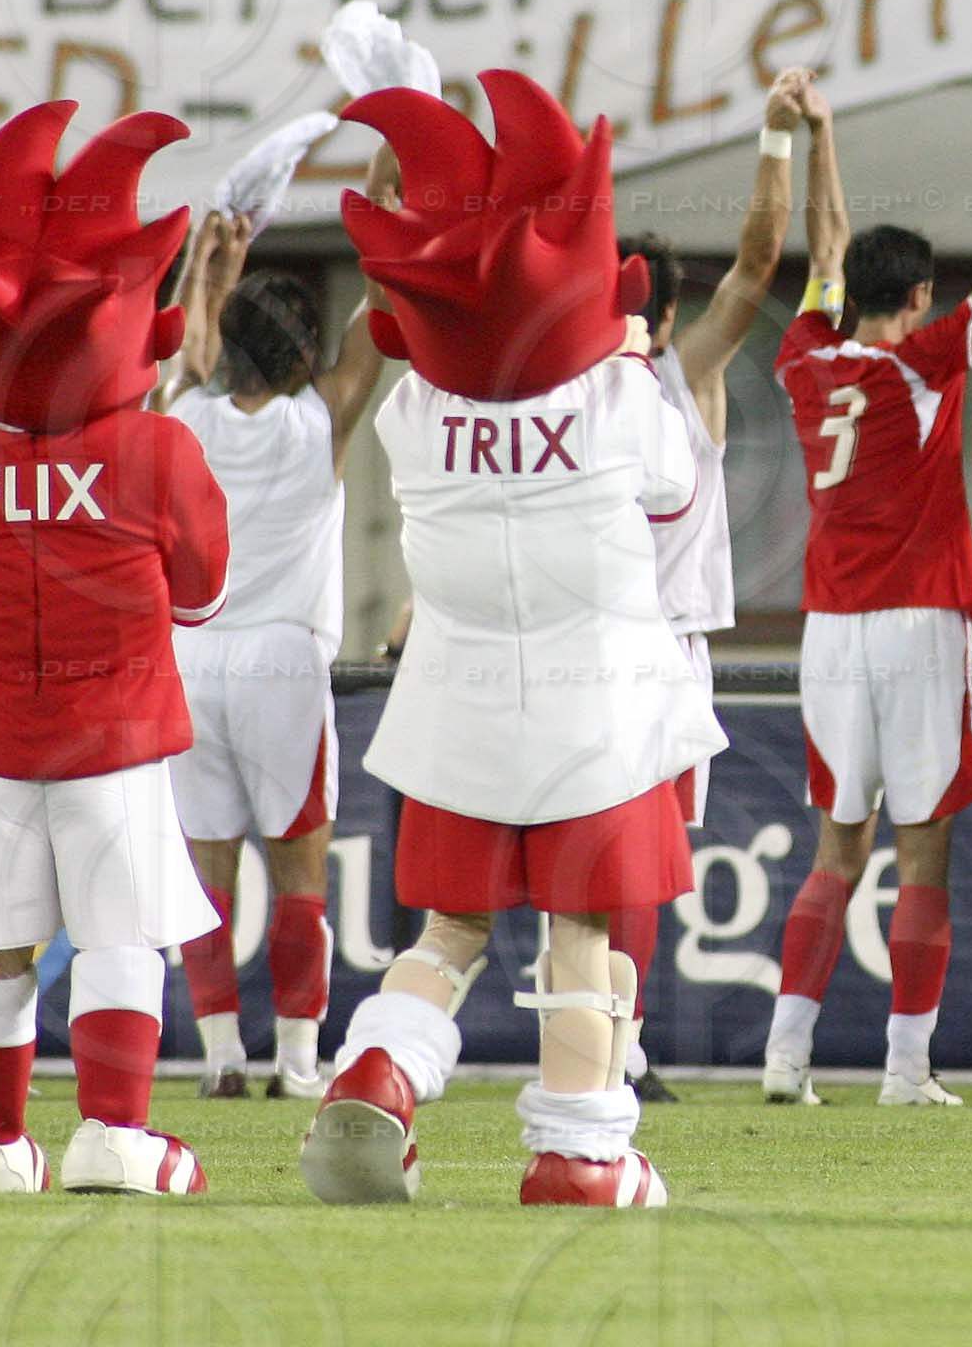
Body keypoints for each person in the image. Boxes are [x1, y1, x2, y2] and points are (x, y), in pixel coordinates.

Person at [302, 71, 713, 1209]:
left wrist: (396, 185)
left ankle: (380, 1071)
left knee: (453, 926)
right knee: (583, 930)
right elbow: (676, 491)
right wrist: (621, 353)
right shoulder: (620, 398)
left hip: (457, 701)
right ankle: (581, 1152)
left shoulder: (412, 410)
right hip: (599, 704)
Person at [0, 102, 228, 1197]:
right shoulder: (158, 448)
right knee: (121, 934)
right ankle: (116, 1135)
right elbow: (204, 595)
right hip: (115, 736)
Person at [757, 74, 972, 1108]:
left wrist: (820, 133)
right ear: (921, 297)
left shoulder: (804, 358)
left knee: (838, 845)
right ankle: (905, 1067)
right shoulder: (927, 361)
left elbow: (822, 251)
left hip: (829, 630)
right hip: (920, 621)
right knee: (923, 845)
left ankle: (785, 1057)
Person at [152, 213, 386, 1103]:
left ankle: (220, 1058)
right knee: (299, 873)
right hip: (283, 664)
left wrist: (211, 265)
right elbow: (377, 319)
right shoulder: (316, 422)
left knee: (209, 871)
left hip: (194, 657)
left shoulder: (185, 414)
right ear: (302, 357)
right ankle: (295, 1061)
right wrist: (384, 213)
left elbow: (187, 340)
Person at [613, 70, 814, 1101]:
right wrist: (777, 139)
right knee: (640, 863)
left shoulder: (552, 386)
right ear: (676, 305)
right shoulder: (683, 374)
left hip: (572, 646)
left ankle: (596, 1047)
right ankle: (624, 1055)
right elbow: (762, 261)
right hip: (661, 651)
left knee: (579, 863)